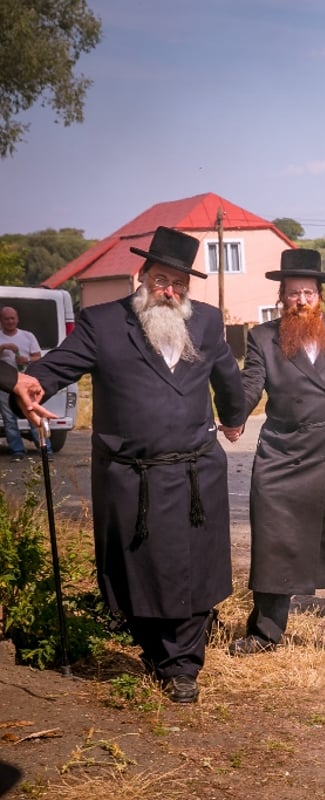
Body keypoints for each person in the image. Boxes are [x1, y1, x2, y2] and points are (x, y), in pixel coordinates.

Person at [24, 226, 246, 703]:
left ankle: (182, 666)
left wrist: (233, 418)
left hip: (193, 472)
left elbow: (226, 377)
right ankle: (155, 648)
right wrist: (29, 382)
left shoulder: (205, 322)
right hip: (132, 475)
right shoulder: (103, 323)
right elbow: (59, 365)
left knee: (192, 568)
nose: (170, 291)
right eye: (162, 279)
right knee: (140, 569)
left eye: (180, 283)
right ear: (141, 276)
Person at [221, 249, 325, 659]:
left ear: (321, 296)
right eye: (293, 293)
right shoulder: (263, 336)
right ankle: (264, 633)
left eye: (308, 293)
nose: (301, 301)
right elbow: (251, 383)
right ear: (282, 297)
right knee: (276, 541)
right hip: (283, 451)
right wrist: (233, 414)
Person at [0, 306, 45, 460]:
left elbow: (38, 357)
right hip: (5, 385)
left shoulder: (27, 336)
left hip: (27, 382)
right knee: (9, 418)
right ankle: (17, 451)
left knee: (33, 414)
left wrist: (25, 359)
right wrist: (3, 347)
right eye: (6, 318)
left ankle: (45, 448)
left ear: (17, 319)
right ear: (1, 321)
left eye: (12, 318)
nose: (10, 321)